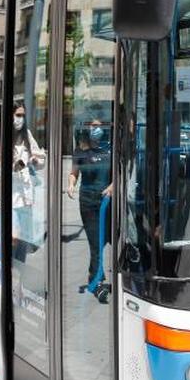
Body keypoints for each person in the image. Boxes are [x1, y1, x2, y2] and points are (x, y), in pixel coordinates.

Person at [0, 102, 46, 261]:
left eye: (23, 116)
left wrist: (36, 161)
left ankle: (17, 277)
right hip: (4, 199)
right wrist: (6, 171)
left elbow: (40, 157)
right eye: (17, 115)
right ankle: (8, 272)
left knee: (22, 242)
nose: (20, 119)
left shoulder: (26, 135)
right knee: (13, 238)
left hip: (24, 198)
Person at [66, 118, 112, 289]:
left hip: (108, 202)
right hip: (87, 202)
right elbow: (74, 173)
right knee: (96, 242)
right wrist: (71, 184)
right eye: (93, 126)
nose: (97, 129)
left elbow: (120, 172)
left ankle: (98, 274)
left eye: (100, 126)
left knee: (108, 238)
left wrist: (113, 186)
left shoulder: (110, 150)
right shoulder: (81, 151)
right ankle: (97, 278)